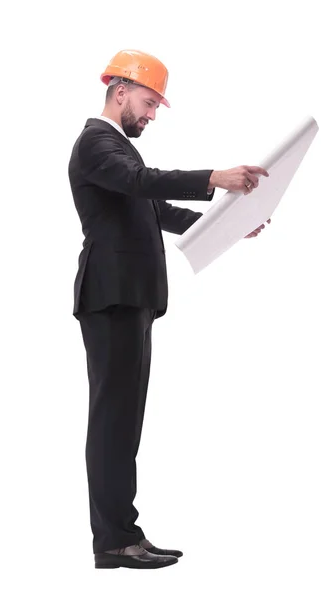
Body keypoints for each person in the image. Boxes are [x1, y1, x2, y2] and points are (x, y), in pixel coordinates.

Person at [68, 49, 270, 570]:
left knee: (124, 421)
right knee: (113, 421)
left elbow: (152, 207)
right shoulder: (96, 143)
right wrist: (213, 177)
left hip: (129, 298)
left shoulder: (118, 151)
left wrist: (228, 224)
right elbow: (143, 184)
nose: (152, 114)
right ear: (120, 91)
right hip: (110, 296)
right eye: (149, 102)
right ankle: (113, 541)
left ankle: (124, 534)